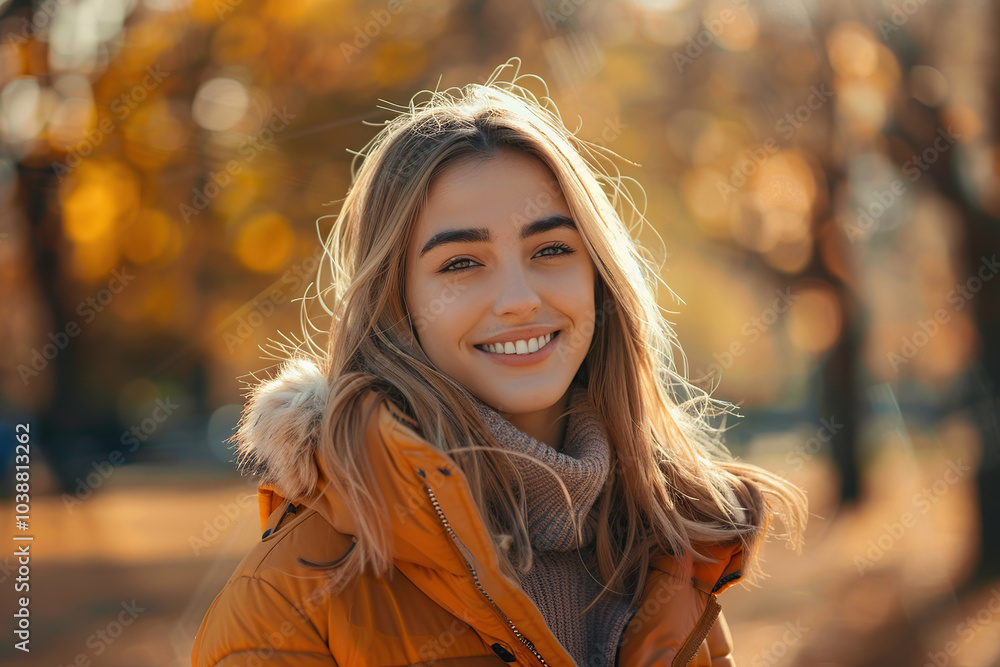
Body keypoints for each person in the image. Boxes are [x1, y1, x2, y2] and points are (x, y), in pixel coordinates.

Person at [191, 58, 808, 666]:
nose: (519, 300)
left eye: (551, 249)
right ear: (395, 304)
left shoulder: (676, 555)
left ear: (598, 275)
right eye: (461, 263)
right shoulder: (287, 604)